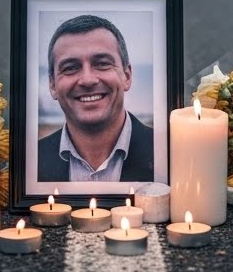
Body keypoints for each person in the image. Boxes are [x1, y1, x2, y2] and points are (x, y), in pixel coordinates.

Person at [37, 14, 153, 182]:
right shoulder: (29, 164)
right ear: (52, 85)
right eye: (70, 68)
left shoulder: (170, 154)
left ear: (126, 77)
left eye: (102, 64)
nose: (87, 80)